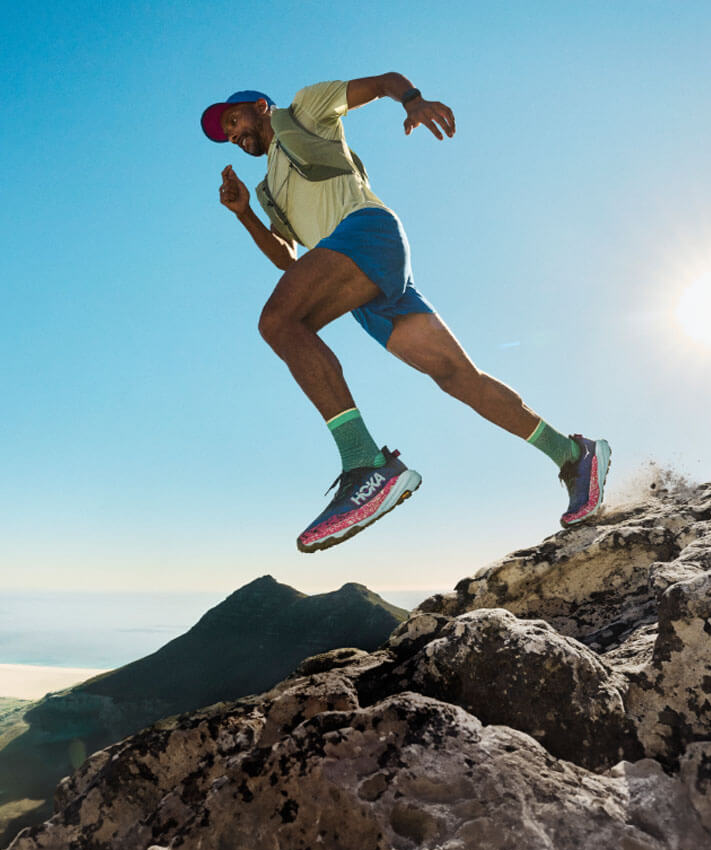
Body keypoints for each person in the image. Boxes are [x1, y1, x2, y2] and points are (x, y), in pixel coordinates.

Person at [200, 73, 610, 554]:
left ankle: (366, 463)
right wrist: (245, 213)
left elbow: (383, 83)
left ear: (259, 106)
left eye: (232, 119)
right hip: (355, 274)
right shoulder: (268, 187)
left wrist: (412, 101)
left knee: (278, 322)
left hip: (366, 233)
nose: (230, 133)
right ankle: (573, 455)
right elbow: (288, 259)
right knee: (458, 376)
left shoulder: (303, 110)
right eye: (224, 133)